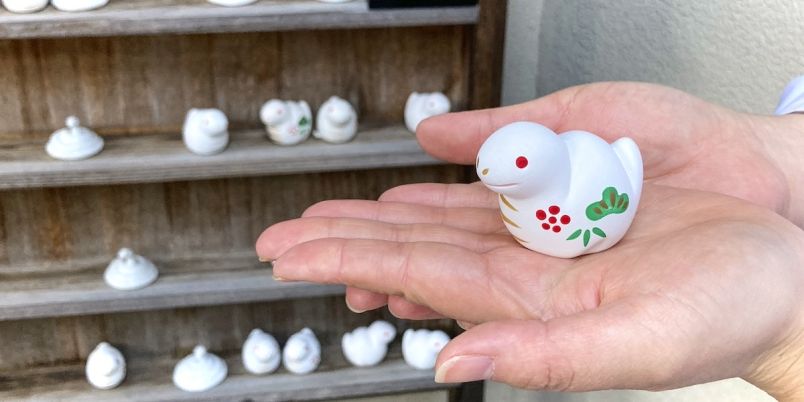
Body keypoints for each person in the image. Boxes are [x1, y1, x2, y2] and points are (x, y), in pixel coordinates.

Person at [256, 82, 804, 401]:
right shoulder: (515, 196)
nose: (494, 180)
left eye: (512, 167)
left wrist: (791, 334)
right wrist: (778, 154)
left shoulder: (583, 178)